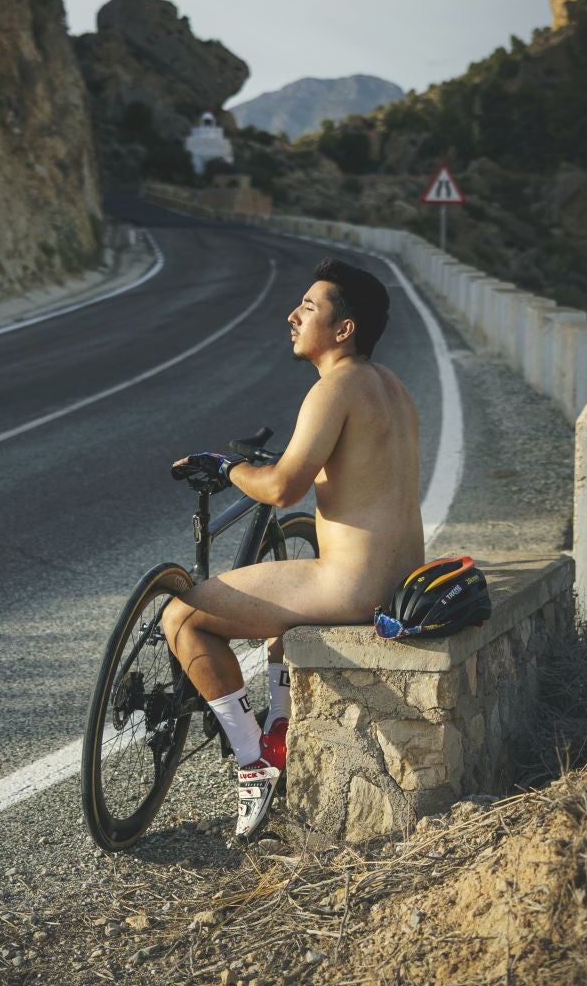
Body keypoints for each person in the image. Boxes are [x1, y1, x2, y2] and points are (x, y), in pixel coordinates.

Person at [164, 257, 425, 841]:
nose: (293, 315)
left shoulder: (336, 387)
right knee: (285, 599)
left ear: (343, 329)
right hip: (400, 584)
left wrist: (230, 466)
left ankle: (253, 758)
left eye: (309, 307)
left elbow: (282, 489)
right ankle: (280, 728)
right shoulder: (393, 387)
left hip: (351, 587)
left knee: (181, 616)